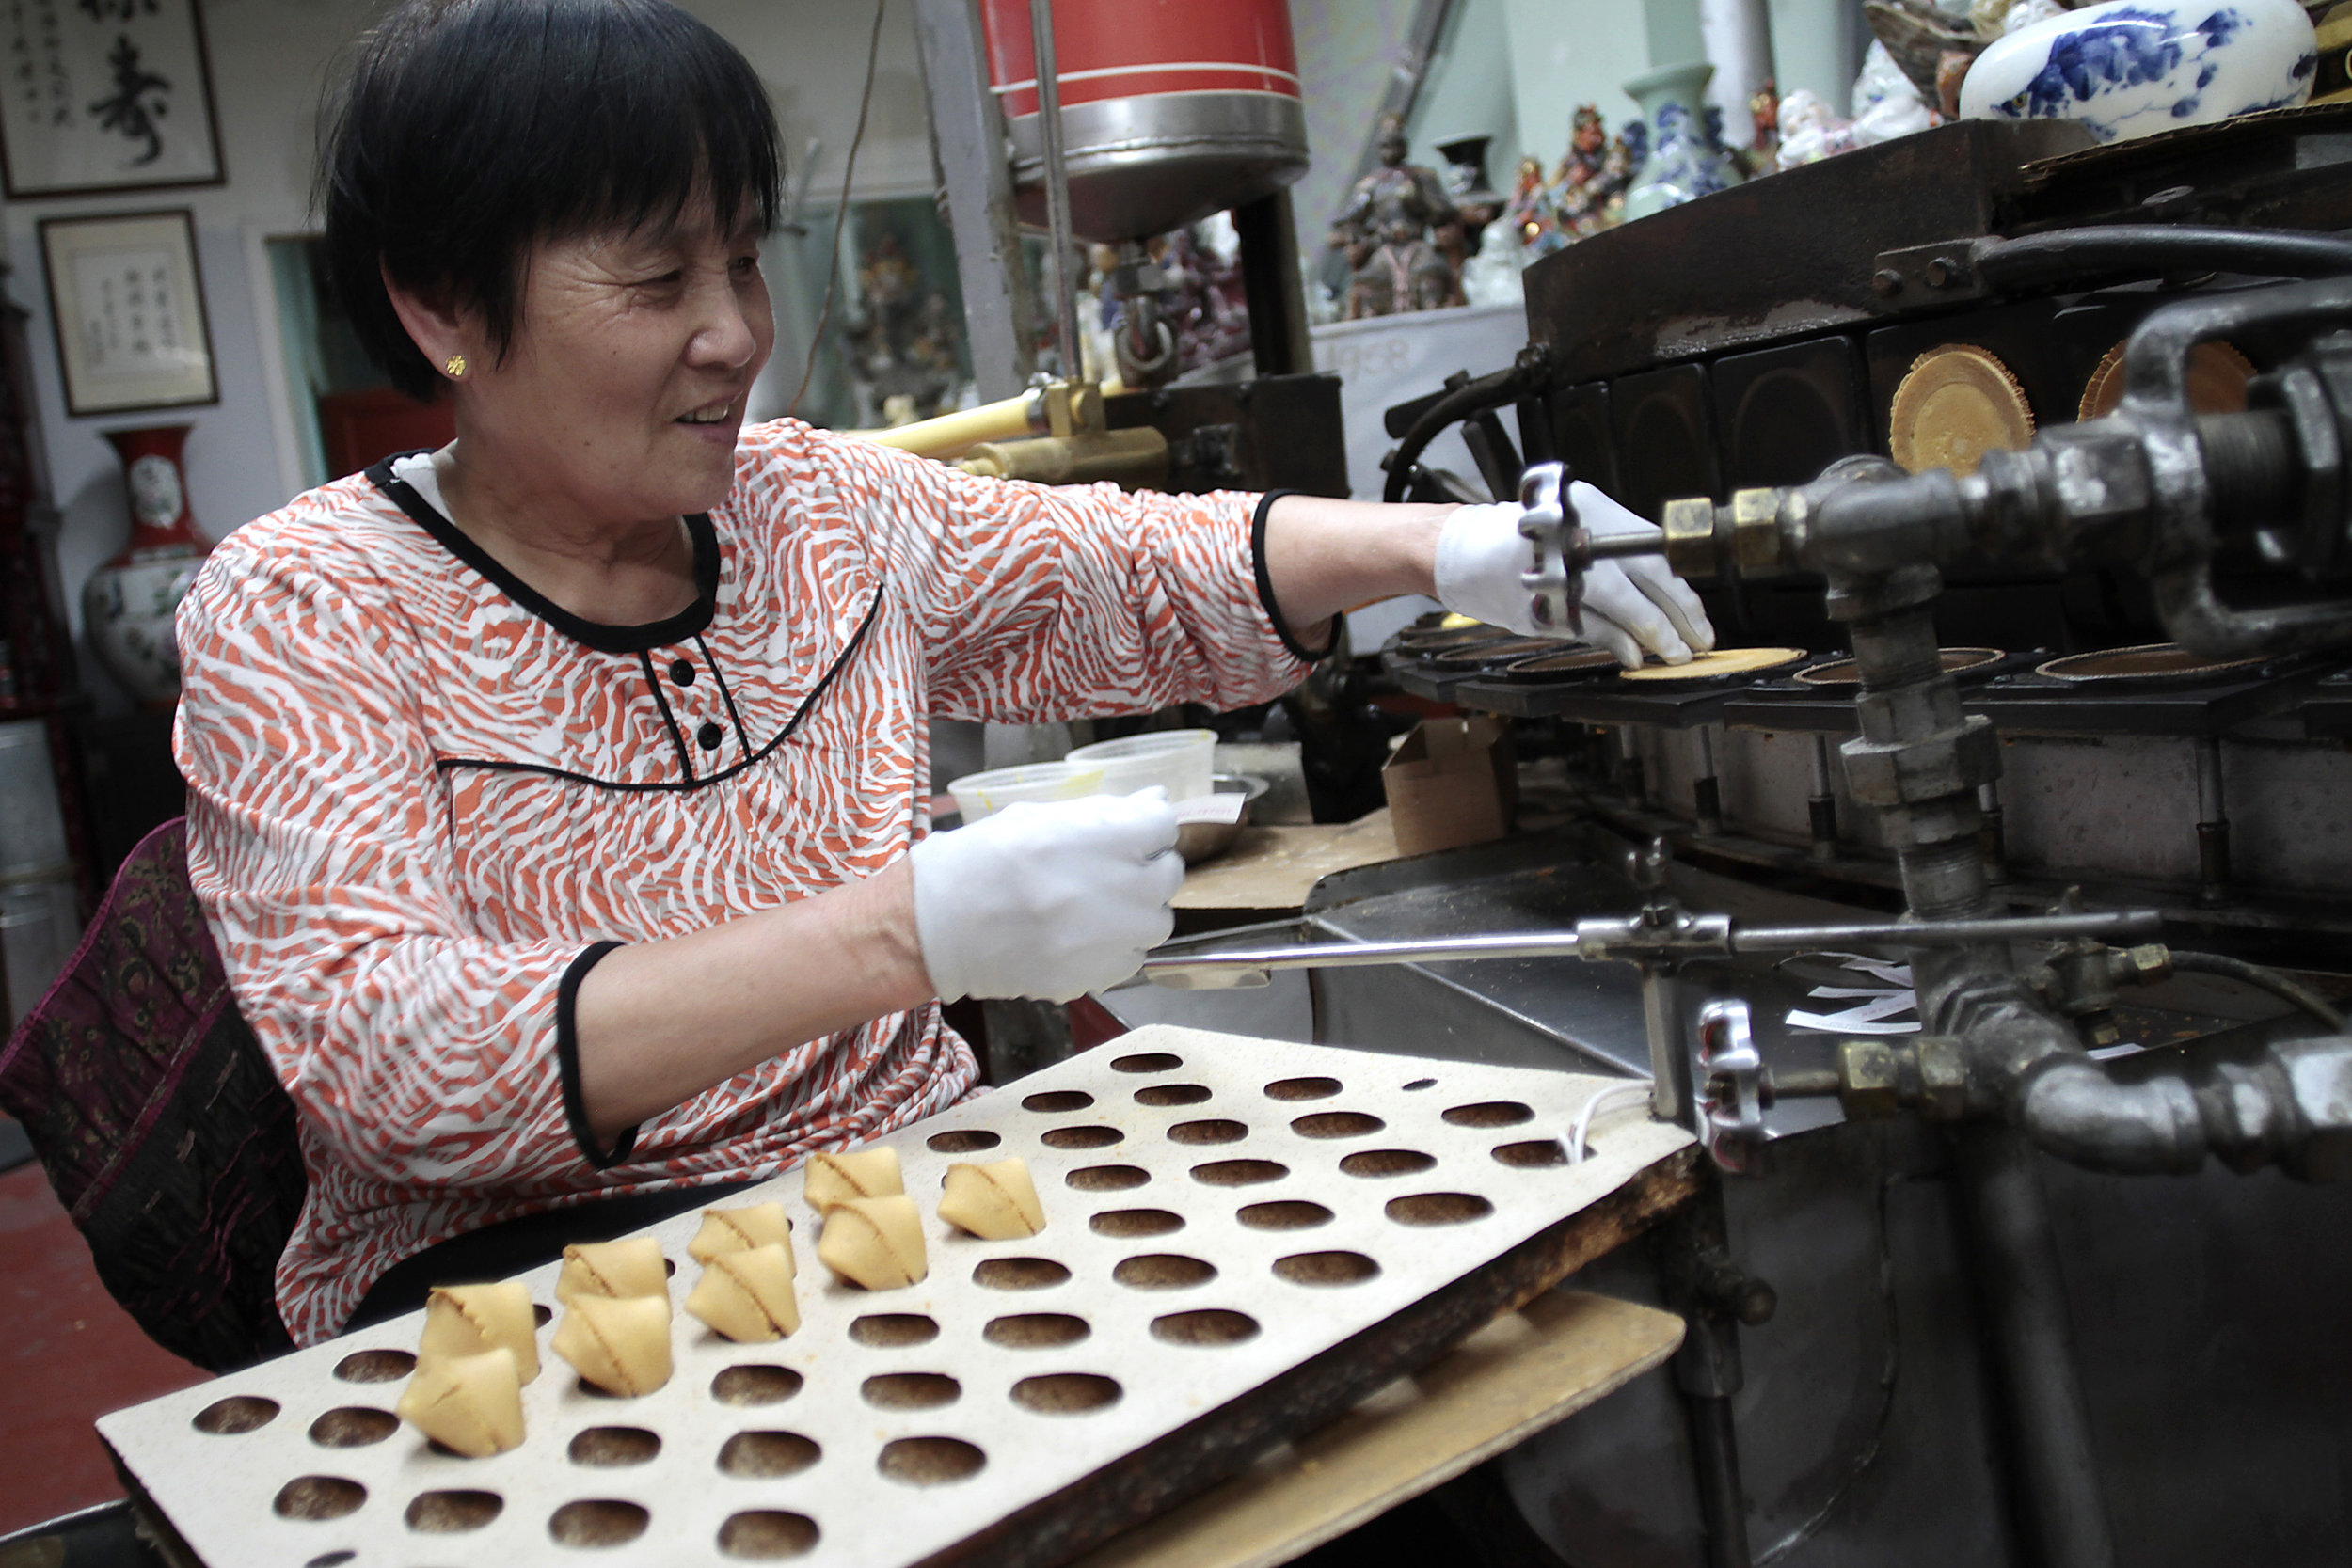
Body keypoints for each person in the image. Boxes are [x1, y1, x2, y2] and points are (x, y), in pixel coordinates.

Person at [174, 0, 1714, 1347]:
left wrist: (1438, 551)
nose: (733, 336)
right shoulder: (307, 606)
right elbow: (395, 1054)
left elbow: (1122, 566)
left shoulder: (811, 509)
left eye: (743, 263)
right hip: (527, 1283)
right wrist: (902, 935)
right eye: (655, 284)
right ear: (441, 304)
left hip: (904, 1200)